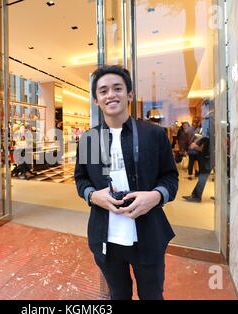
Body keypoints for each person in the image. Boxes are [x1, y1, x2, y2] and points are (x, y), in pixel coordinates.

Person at [74, 65, 178, 300]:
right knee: (118, 295)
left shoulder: (153, 134)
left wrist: (156, 196)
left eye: (117, 88)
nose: (111, 94)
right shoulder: (90, 139)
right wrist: (92, 195)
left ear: (129, 95)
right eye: (103, 91)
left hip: (148, 236)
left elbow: (170, 177)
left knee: (152, 295)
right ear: (96, 100)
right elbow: (81, 179)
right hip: (106, 239)